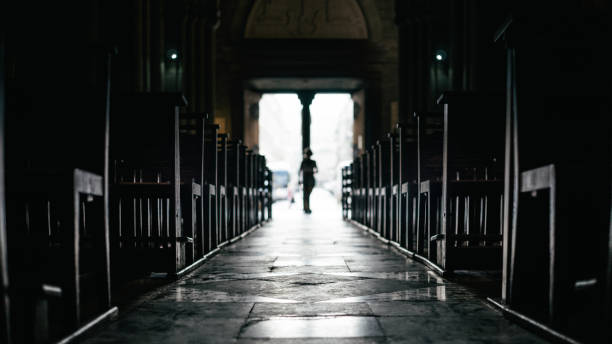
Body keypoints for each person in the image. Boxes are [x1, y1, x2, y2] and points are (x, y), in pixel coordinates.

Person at [298, 148, 317, 214]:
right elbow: (316, 170)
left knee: (306, 194)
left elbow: (300, 171)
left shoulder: (306, 162)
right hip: (308, 179)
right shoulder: (306, 162)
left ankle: (306, 207)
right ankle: (306, 207)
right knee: (306, 194)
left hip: (308, 179)